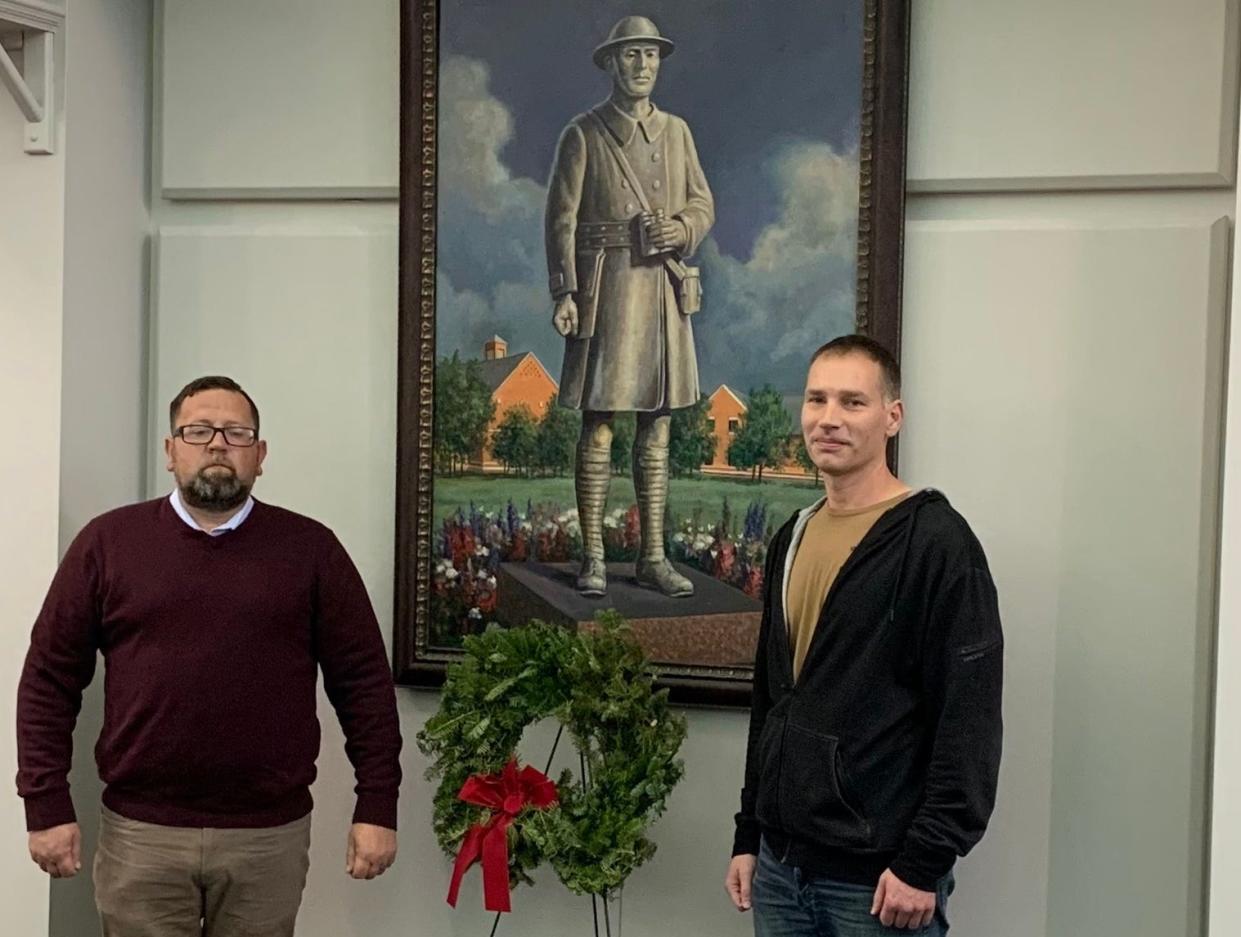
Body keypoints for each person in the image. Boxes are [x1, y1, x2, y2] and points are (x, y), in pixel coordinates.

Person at [16, 375, 402, 937]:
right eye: (197, 431)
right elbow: (48, 680)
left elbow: (364, 685)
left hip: (267, 837)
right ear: (171, 451)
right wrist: (44, 804)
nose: (217, 443)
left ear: (260, 455)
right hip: (140, 834)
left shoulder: (311, 551)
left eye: (236, 432)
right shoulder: (107, 544)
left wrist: (377, 806)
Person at [724, 335, 1003, 935]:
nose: (829, 419)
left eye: (853, 402)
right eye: (817, 399)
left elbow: (969, 718)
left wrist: (924, 863)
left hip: (879, 885)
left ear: (892, 417)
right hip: (778, 871)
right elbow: (771, 702)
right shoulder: (790, 538)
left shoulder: (936, 543)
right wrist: (750, 833)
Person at [544, 14, 715, 598]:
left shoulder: (677, 133)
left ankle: (652, 556)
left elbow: (702, 204)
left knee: (658, 425)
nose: (642, 65)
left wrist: (682, 229)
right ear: (611, 63)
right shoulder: (583, 133)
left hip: (660, 291)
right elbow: (561, 219)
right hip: (605, 288)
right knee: (597, 426)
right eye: (631, 55)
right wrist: (564, 292)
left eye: (651, 55)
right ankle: (592, 554)